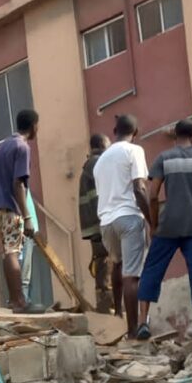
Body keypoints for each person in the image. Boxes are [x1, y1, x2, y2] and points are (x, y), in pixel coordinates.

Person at [134, 119, 192, 346]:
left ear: (174, 136)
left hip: (169, 225)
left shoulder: (164, 158)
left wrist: (153, 225)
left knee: (152, 269)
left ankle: (143, 321)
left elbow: (152, 195)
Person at [94, 114, 150, 339]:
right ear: (135, 133)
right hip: (128, 217)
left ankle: (118, 315)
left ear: (114, 130)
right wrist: (152, 220)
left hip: (106, 221)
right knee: (132, 276)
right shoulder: (134, 150)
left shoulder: (100, 161)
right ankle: (132, 331)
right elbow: (139, 187)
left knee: (117, 264)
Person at [0, 109, 38, 313]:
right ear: (34, 126)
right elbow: (18, 184)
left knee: (7, 251)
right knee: (13, 251)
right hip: (9, 207)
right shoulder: (22, 147)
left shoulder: (3, 146)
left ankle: (13, 300)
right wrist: (27, 216)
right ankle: (19, 301)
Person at [79, 133, 114, 314]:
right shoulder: (98, 163)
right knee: (106, 268)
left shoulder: (90, 165)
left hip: (96, 226)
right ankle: (108, 311)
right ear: (102, 145)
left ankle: (106, 308)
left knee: (103, 266)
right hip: (102, 224)